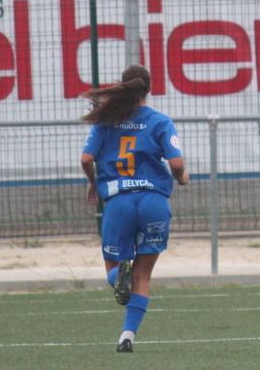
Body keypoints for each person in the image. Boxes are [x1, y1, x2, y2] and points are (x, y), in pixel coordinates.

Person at [80, 64, 188, 353]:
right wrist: (182, 177)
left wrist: (94, 182)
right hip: (154, 202)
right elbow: (176, 163)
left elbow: (86, 158)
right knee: (143, 274)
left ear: (122, 87)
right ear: (149, 89)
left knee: (115, 269)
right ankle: (127, 335)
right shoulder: (160, 121)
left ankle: (119, 280)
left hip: (119, 202)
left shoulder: (107, 120)